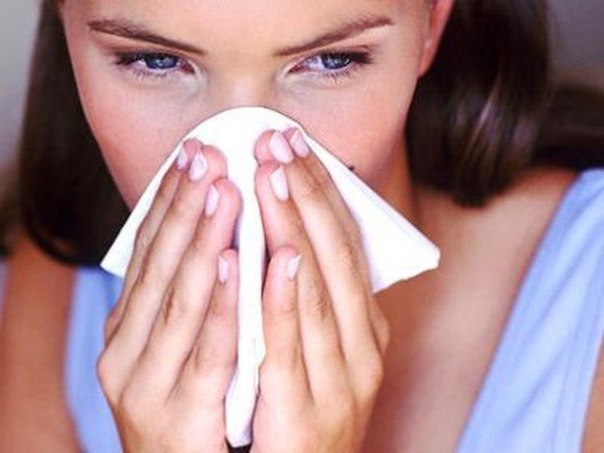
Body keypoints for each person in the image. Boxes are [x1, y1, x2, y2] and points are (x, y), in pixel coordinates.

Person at [0, 0, 603, 451]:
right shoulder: (46, 302)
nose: (244, 159)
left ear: (431, 24)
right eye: (155, 61)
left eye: (330, 60)